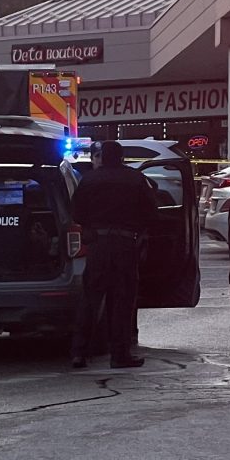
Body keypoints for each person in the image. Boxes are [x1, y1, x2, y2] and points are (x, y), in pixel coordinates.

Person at [70, 139, 159, 369]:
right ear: (121, 157)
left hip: (98, 245)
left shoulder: (89, 180)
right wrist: (139, 232)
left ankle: (79, 353)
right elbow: (151, 211)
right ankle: (119, 355)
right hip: (125, 244)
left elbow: (76, 212)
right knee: (123, 300)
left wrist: (91, 227)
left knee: (90, 299)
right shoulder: (135, 179)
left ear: (102, 156)